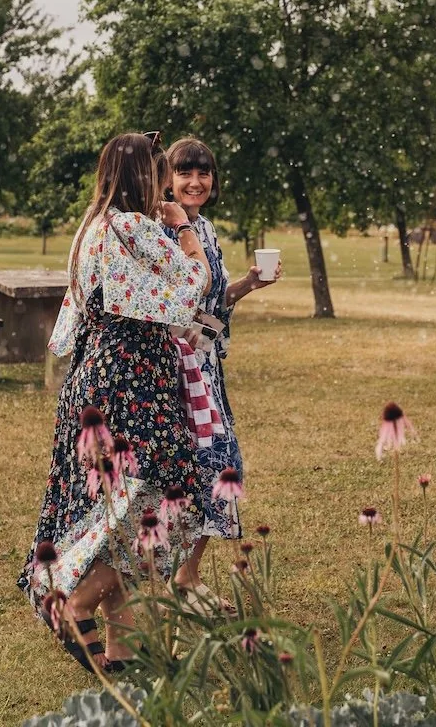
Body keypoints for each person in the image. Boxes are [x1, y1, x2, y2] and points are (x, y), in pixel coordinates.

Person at [18, 131, 211, 673]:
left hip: (95, 377)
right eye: (157, 172)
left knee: (114, 510)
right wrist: (184, 228)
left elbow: (76, 315)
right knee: (151, 505)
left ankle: (120, 656)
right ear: (139, 178)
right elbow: (194, 284)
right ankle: (73, 601)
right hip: (133, 378)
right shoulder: (134, 228)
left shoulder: (91, 226)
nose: (166, 183)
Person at [162, 136, 281, 610]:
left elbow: (211, 300)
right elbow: (172, 304)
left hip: (205, 365)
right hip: (172, 370)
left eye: (203, 172)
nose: (195, 182)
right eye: (184, 173)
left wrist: (249, 284)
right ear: (166, 179)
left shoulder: (205, 229)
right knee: (187, 470)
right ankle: (165, 579)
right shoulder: (160, 230)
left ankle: (185, 576)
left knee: (219, 468)